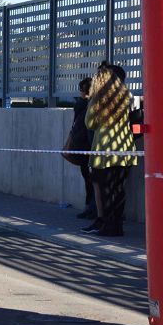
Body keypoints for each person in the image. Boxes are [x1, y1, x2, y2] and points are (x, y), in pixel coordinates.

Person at [84, 63, 139, 237]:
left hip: (104, 150)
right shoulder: (127, 97)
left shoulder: (97, 99)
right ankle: (118, 226)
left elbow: (89, 124)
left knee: (105, 189)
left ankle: (108, 226)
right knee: (119, 189)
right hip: (125, 149)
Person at [69, 77, 97, 221]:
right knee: (93, 179)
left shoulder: (83, 104)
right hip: (92, 144)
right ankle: (91, 207)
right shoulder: (94, 103)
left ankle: (90, 207)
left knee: (89, 179)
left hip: (84, 144)